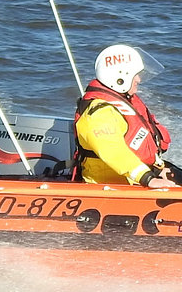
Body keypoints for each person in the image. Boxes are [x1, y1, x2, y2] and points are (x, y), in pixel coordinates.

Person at [73, 44, 175, 188]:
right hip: (111, 185)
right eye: (136, 75)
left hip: (138, 177)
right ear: (120, 78)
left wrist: (158, 169)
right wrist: (147, 178)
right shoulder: (99, 114)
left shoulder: (121, 105)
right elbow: (113, 150)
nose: (139, 79)